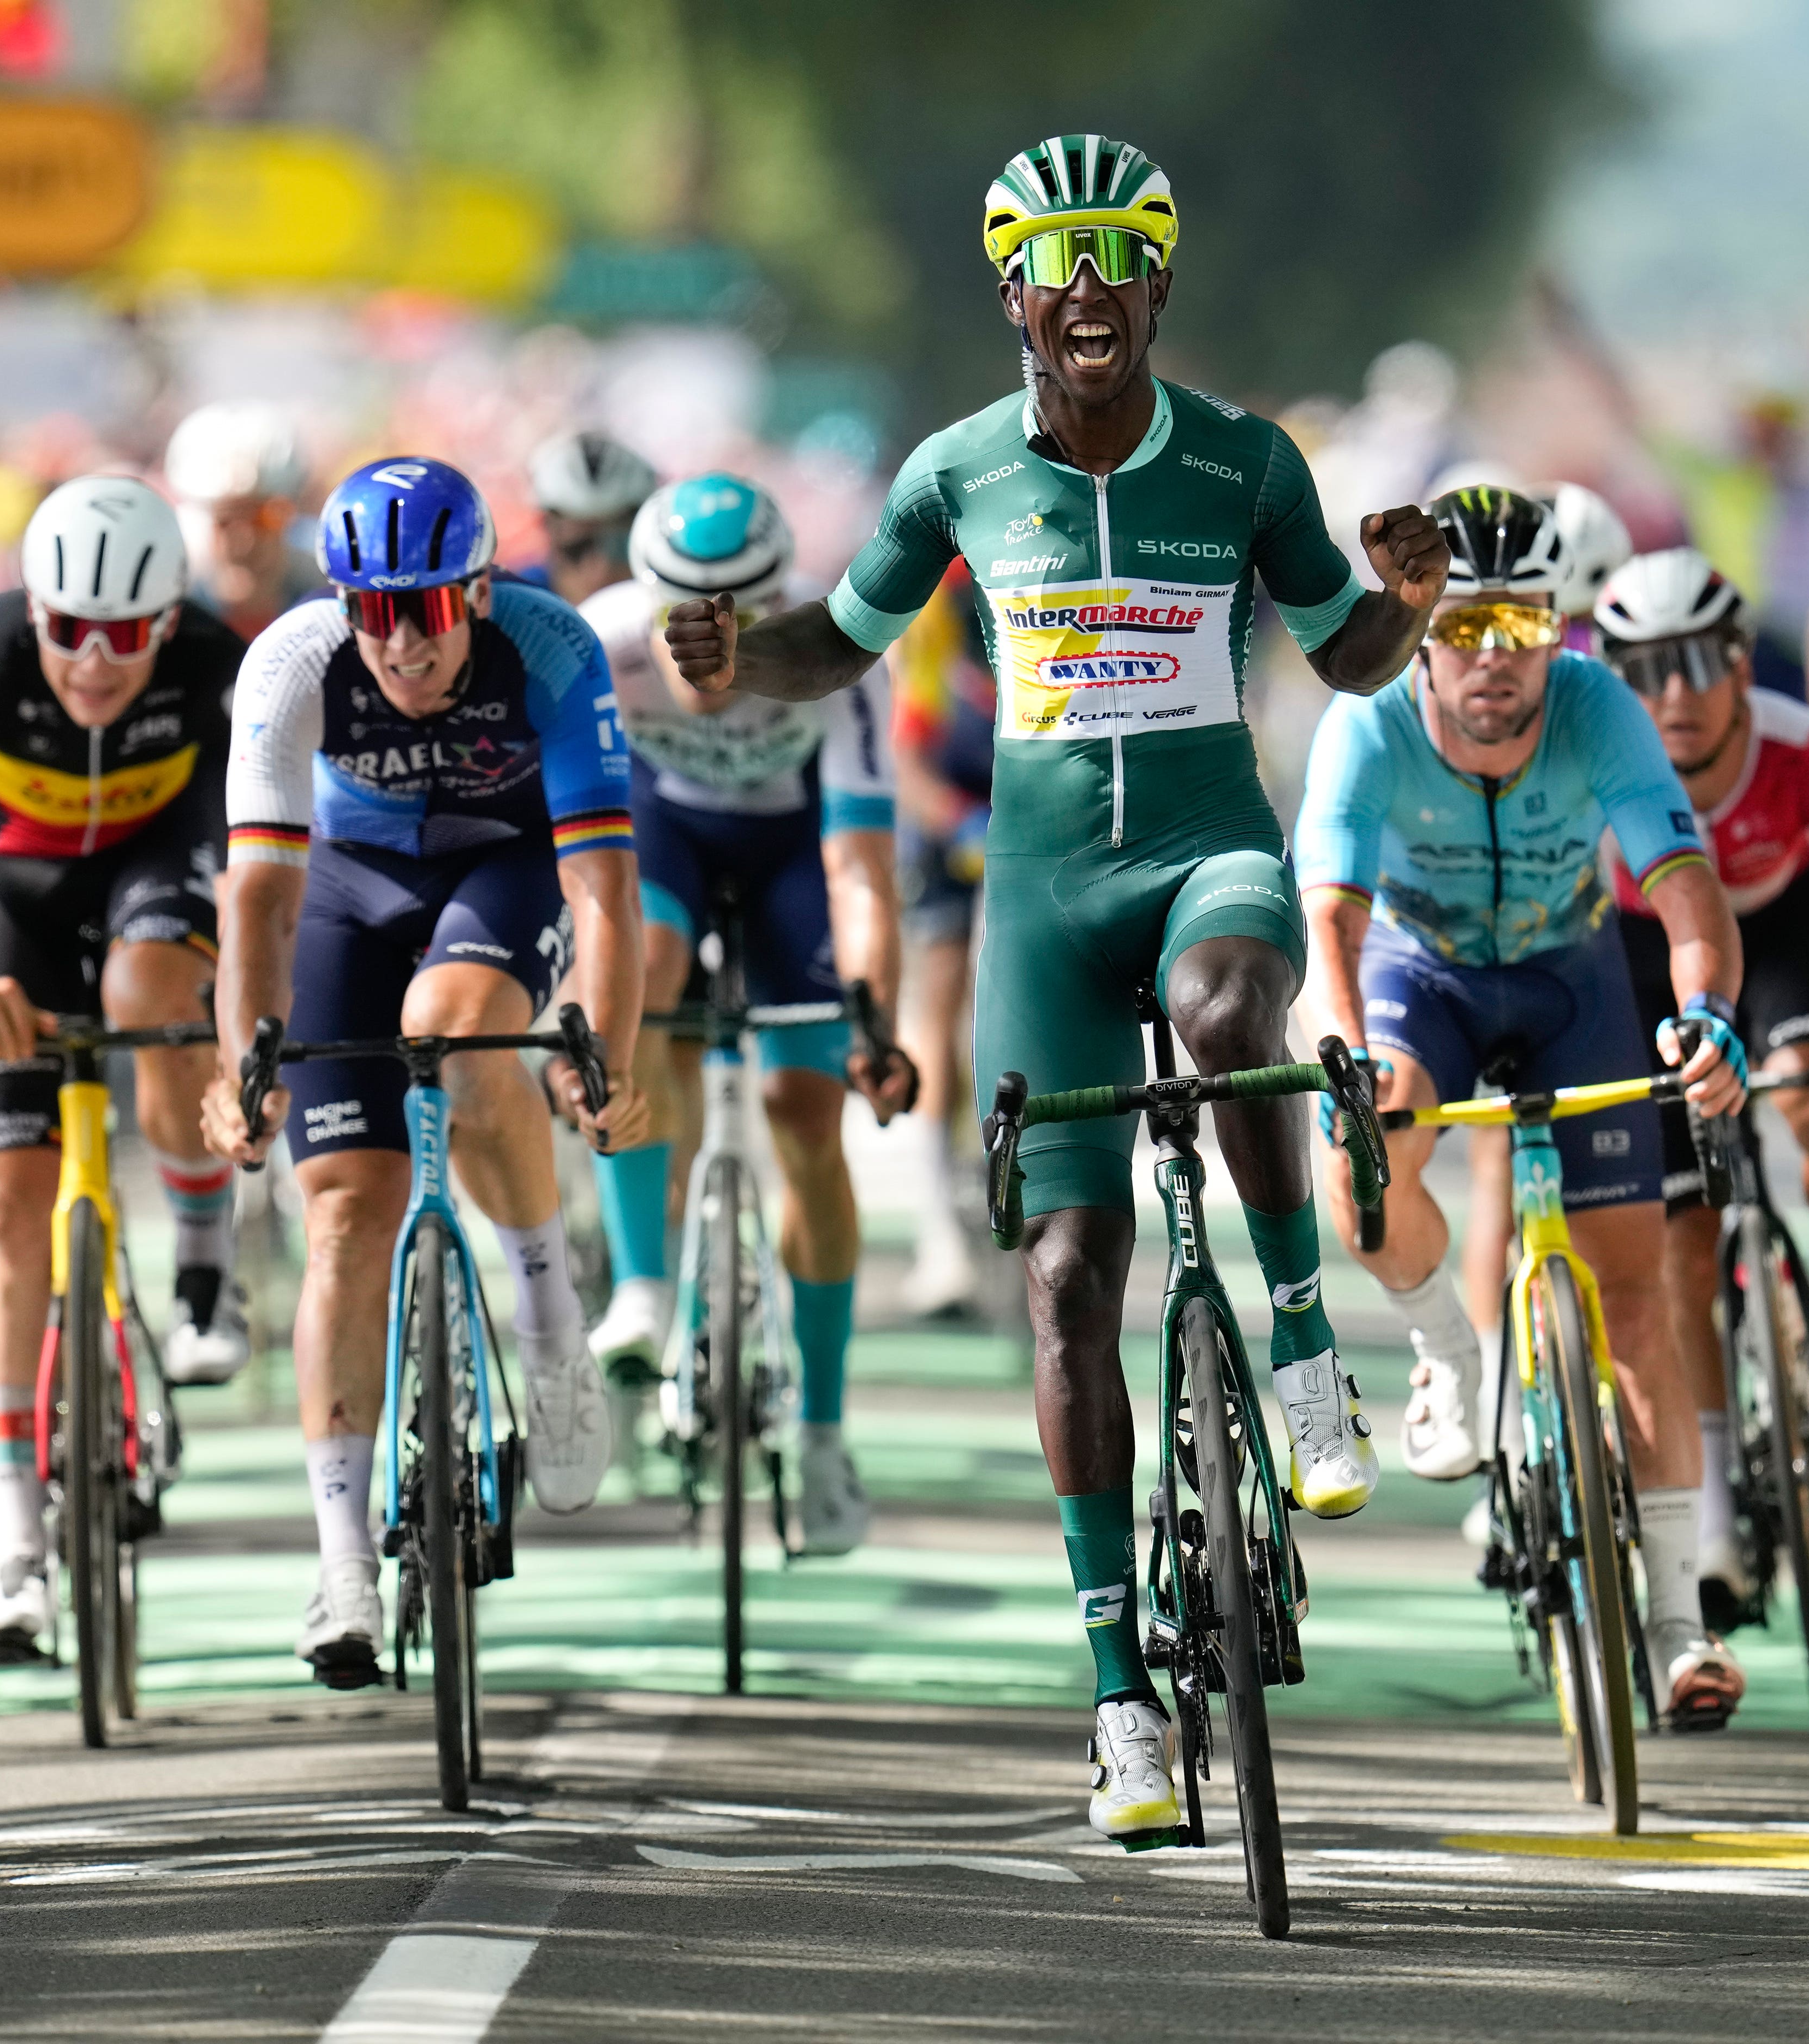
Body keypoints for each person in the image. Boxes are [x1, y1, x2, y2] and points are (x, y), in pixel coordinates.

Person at [658, 132, 1469, 1844]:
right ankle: (1119, 1702)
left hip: (1203, 856)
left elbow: (1342, 654)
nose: (1089, 287)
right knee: (1068, 1281)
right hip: (1040, 903)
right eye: (1057, 259)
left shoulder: (1247, 463)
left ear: (1160, 284)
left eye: (1121, 257)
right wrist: (742, 656)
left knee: (1243, 1018)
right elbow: (841, 640)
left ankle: (1309, 1347)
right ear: (1014, 289)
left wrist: (1407, 603)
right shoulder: (954, 473)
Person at [1293, 488, 1753, 1732]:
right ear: (1422, 620)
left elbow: (1687, 890)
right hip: (1420, 976)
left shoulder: (1598, 707)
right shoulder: (1370, 715)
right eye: (1465, 619)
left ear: (1560, 625)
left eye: (1524, 621)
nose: (1495, 651)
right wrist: (1344, 1051)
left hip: (1571, 979)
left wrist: (1708, 1014)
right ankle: (1448, 1345)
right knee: (1367, 1154)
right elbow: (1328, 922)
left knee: (1637, 1304)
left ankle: (1672, 1617)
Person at [201, 456, 647, 1689]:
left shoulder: (550, 649)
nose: (400, 642)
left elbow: (605, 886)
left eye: (427, 611)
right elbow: (260, 893)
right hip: (346, 886)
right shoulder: (294, 661)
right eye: (374, 610)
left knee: (452, 1027)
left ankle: (550, 1314)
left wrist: (601, 1047)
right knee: (345, 1202)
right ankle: (341, 1554)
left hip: (498, 871)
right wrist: (248, 1055)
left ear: (481, 594)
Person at [0, 476, 249, 1660]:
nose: (96, 662)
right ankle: (11, 1549)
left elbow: (274, 865)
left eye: (127, 636)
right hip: (11, 892)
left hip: (159, 858)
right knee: (6, 1204)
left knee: (149, 992)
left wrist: (252, 1021)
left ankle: (207, 1255)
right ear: (33, 609)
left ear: (169, 620)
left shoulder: (214, 661)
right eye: (71, 630)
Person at [1593, 547, 1809, 1603]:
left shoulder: (1808, 750)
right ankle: (1711, 1526)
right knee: (1680, 1248)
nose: (1675, 694)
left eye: (1699, 661)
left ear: (1742, 664)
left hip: (1781, 926)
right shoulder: (1586, 755)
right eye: (1644, 670)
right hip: (1652, 948)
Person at [575, 472, 911, 1554]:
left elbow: (861, 868)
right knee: (649, 976)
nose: (708, 642)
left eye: (740, 619)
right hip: (665, 835)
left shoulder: (837, 649)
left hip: (791, 855)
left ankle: (821, 1433)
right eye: (686, 617)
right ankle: (639, 1285)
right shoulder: (606, 643)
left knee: (804, 1113)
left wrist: (877, 1021)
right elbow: (579, 864)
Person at [1454, 481, 1637, 1348]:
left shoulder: (1594, 683)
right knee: (1500, 1157)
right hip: (1517, 933)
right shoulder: (1523, 662)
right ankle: (1491, 1382)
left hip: (1597, 927)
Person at [885, 562, 995, 1315]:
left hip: (1041, 777)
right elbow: (908, 759)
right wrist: (955, 821)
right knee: (942, 994)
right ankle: (938, 1226)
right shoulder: (938, 602)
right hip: (955, 789)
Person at [164, 401, 314, 643]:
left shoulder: (323, 603)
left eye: (263, 517)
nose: (245, 540)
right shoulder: (174, 620)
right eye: (226, 520)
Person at [529, 430, 657, 606]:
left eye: (619, 545)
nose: (599, 570)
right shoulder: (514, 600)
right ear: (546, 529)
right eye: (576, 548)